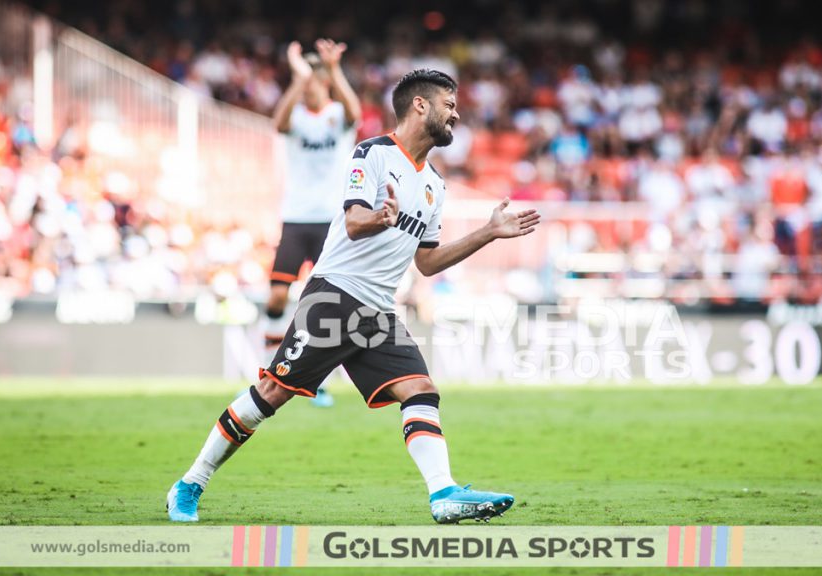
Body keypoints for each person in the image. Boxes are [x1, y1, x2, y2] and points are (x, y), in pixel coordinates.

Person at [167, 69, 541, 524]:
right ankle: (191, 482)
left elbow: (426, 262)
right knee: (270, 393)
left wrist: (487, 233)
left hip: (380, 311)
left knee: (421, 390)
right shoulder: (373, 154)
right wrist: (381, 218)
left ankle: (442, 493)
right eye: (449, 104)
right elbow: (352, 222)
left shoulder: (435, 186)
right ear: (420, 105)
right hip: (335, 299)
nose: (456, 114)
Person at [264, 39, 362, 407]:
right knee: (277, 296)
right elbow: (279, 123)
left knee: (324, 302)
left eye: (312, 82)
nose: (307, 89)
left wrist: (333, 69)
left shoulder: (337, 114)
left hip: (331, 221)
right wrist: (297, 77)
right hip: (295, 217)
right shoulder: (296, 116)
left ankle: (319, 379)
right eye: (304, 83)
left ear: (324, 83)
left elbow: (355, 113)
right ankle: (268, 369)